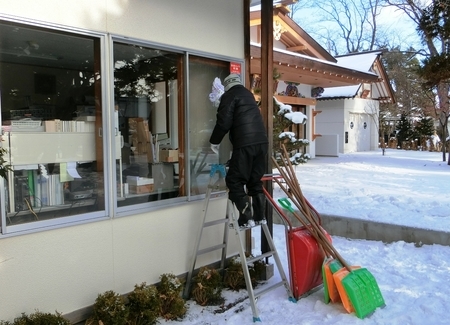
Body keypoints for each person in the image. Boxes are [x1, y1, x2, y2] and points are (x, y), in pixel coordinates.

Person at [209, 74, 269, 228]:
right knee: (254, 180)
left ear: (227, 86)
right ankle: (260, 217)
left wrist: (214, 142)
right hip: (261, 142)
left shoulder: (230, 96)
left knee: (234, 181)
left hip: (245, 144)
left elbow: (223, 122)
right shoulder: (248, 95)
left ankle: (246, 218)